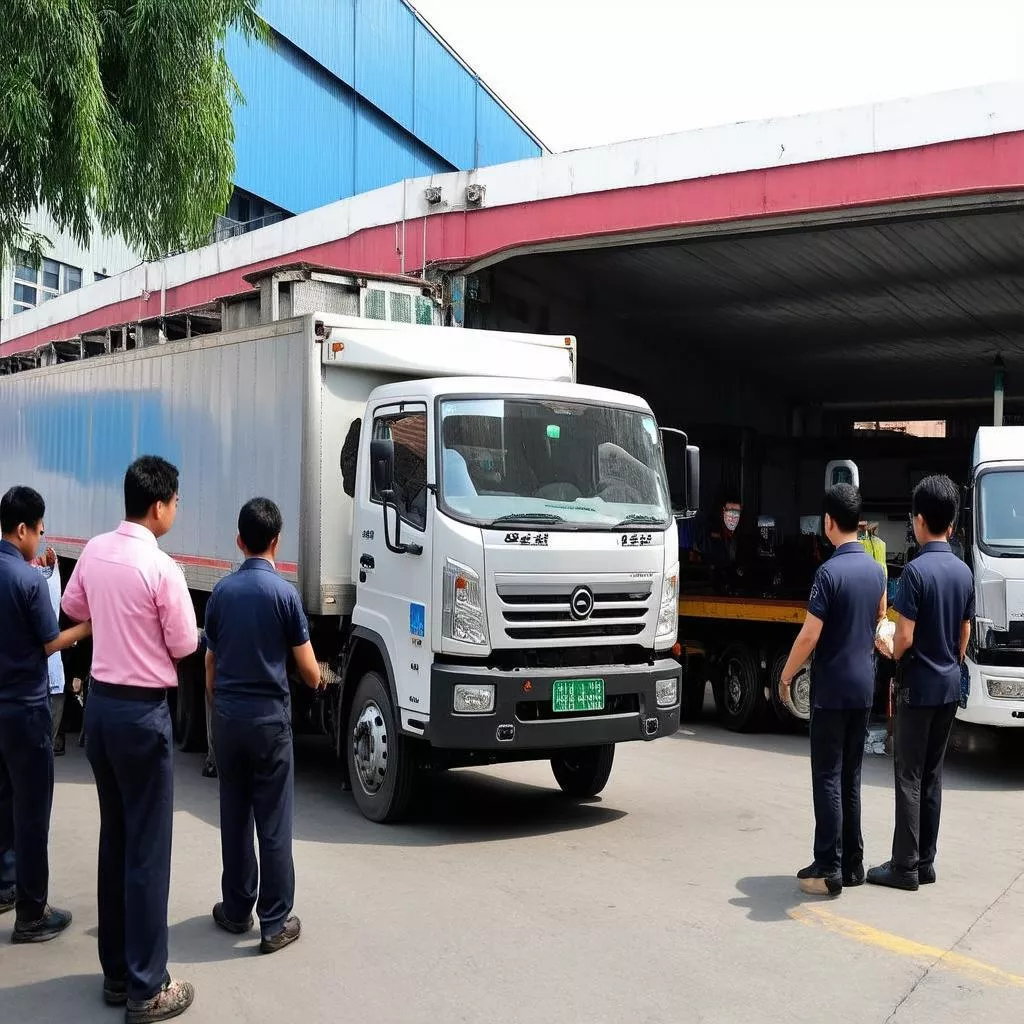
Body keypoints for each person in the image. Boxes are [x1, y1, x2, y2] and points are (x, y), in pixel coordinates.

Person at [62, 457, 198, 1020]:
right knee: (147, 850)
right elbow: (185, 645)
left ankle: (117, 974)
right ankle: (148, 986)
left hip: (101, 710)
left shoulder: (95, 551)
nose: (177, 510)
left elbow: (72, 607)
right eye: (176, 501)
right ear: (159, 505)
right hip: (142, 715)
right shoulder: (161, 567)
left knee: (115, 839)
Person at [204, 498, 321, 954]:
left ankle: (236, 911)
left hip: (229, 719)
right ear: (277, 541)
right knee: (273, 822)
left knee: (234, 817)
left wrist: (220, 705)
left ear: (239, 541)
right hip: (270, 723)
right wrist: (316, 678)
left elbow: (210, 665)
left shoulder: (221, 594)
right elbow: (309, 672)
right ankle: (274, 923)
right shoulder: (284, 596)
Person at [868, 475, 974, 892]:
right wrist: (951, 661)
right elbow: (964, 631)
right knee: (932, 775)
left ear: (919, 520)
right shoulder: (963, 572)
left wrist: (887, 646)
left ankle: (904, 866)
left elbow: (904, 637)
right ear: (952, 523)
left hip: (918, 685)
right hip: (948, 685)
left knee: (908, 776)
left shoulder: (914, 572)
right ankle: (925, 862)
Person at [780, 484, 886, 897]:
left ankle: (828, 865)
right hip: (863, 687)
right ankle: (853, 863)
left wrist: (786, 677)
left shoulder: (828, 573)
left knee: (827, 775)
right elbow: (880, 615)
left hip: (831, 689)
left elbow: (809, 636)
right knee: (851, 777)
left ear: (828, 522)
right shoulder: (875, 571)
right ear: (858, 522)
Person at [0, 486, 90, 938]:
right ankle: (32, 913)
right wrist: (88, 626)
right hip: (24, 709)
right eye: (39, 530)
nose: (40, 537)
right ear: (22, 529)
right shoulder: (28, 581)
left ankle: (5, 886)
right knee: (32, 811)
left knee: (2, 800)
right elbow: (50, 642)